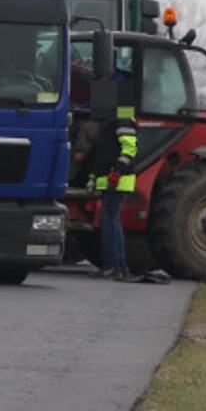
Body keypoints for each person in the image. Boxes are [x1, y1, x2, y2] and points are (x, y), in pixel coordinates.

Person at [90, 105, 138, 281]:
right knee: (109, 222)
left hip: (117, 180)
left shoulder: (123, 116)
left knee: (111, 222)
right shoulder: (108, 121)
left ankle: (116, 266)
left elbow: (130, 148)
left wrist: (117, 172)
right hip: (109, 180)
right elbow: (102, 154)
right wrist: (93, 177)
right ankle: (114, 266)